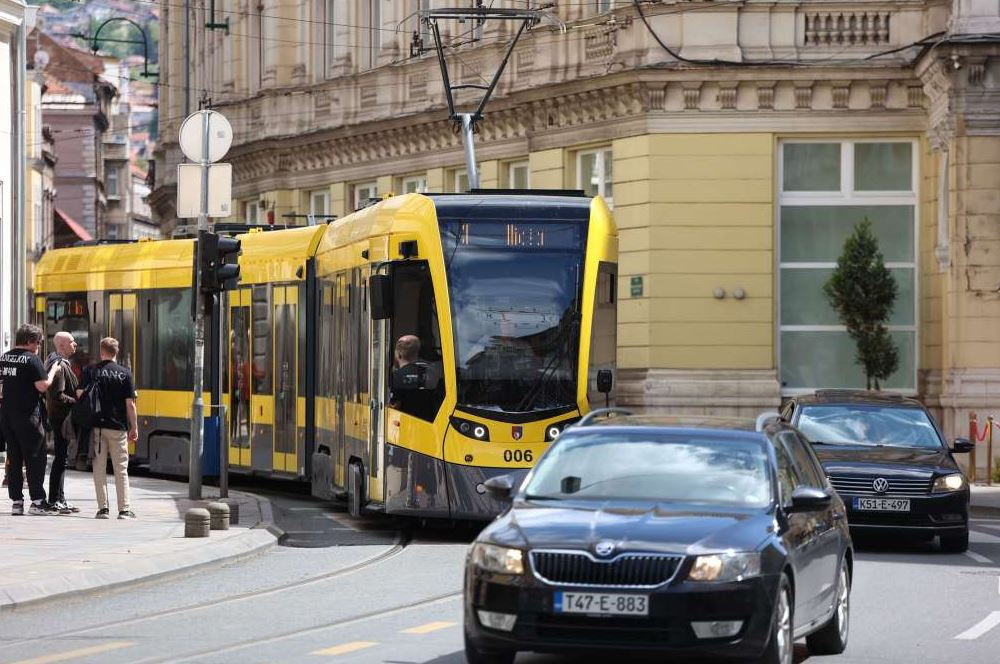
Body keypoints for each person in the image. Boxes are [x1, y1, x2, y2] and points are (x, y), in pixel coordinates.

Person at [0, 324, 62, 515]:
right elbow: (43, 386)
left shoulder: (4, 357)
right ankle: (38, 502)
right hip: (29, 417)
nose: (39, 346)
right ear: (30, 341)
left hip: (7, 417)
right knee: (35, 458)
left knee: (14, 458)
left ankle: (17, 502)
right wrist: (54, 370)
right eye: (38, 342)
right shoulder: (32, 359)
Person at [81, 337, 138, 520]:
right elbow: (130, 404)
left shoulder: (91, 371)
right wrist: (134, 427)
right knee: (121, 469)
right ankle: (124, 510)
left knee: (99, 468)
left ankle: (103, 509)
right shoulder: (125, 373)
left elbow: (80, 395)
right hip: (118, 427)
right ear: (116, 351)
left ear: (101, 351)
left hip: (97, 427)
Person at [45, 331, 80, 513]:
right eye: (72, 342)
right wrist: (77, 401)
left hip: (60, 418)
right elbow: (57, 395)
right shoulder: (58, 364)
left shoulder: (57, 362)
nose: (75, 344)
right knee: (60, 460)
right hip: (61, 419)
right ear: (62, 345)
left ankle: (60, 499)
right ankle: (54, 500)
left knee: (62, 459)